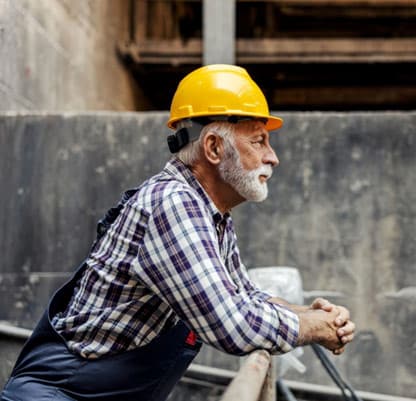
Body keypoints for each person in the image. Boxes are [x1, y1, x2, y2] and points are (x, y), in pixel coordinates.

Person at [1, 64, 355, 401]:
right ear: (214, 147)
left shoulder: (210, 213)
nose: (273, 157)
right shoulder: (173, 205)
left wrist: (311, 313)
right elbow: (232, 325)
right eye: (259, 141)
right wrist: (315, 328)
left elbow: (242, 296)